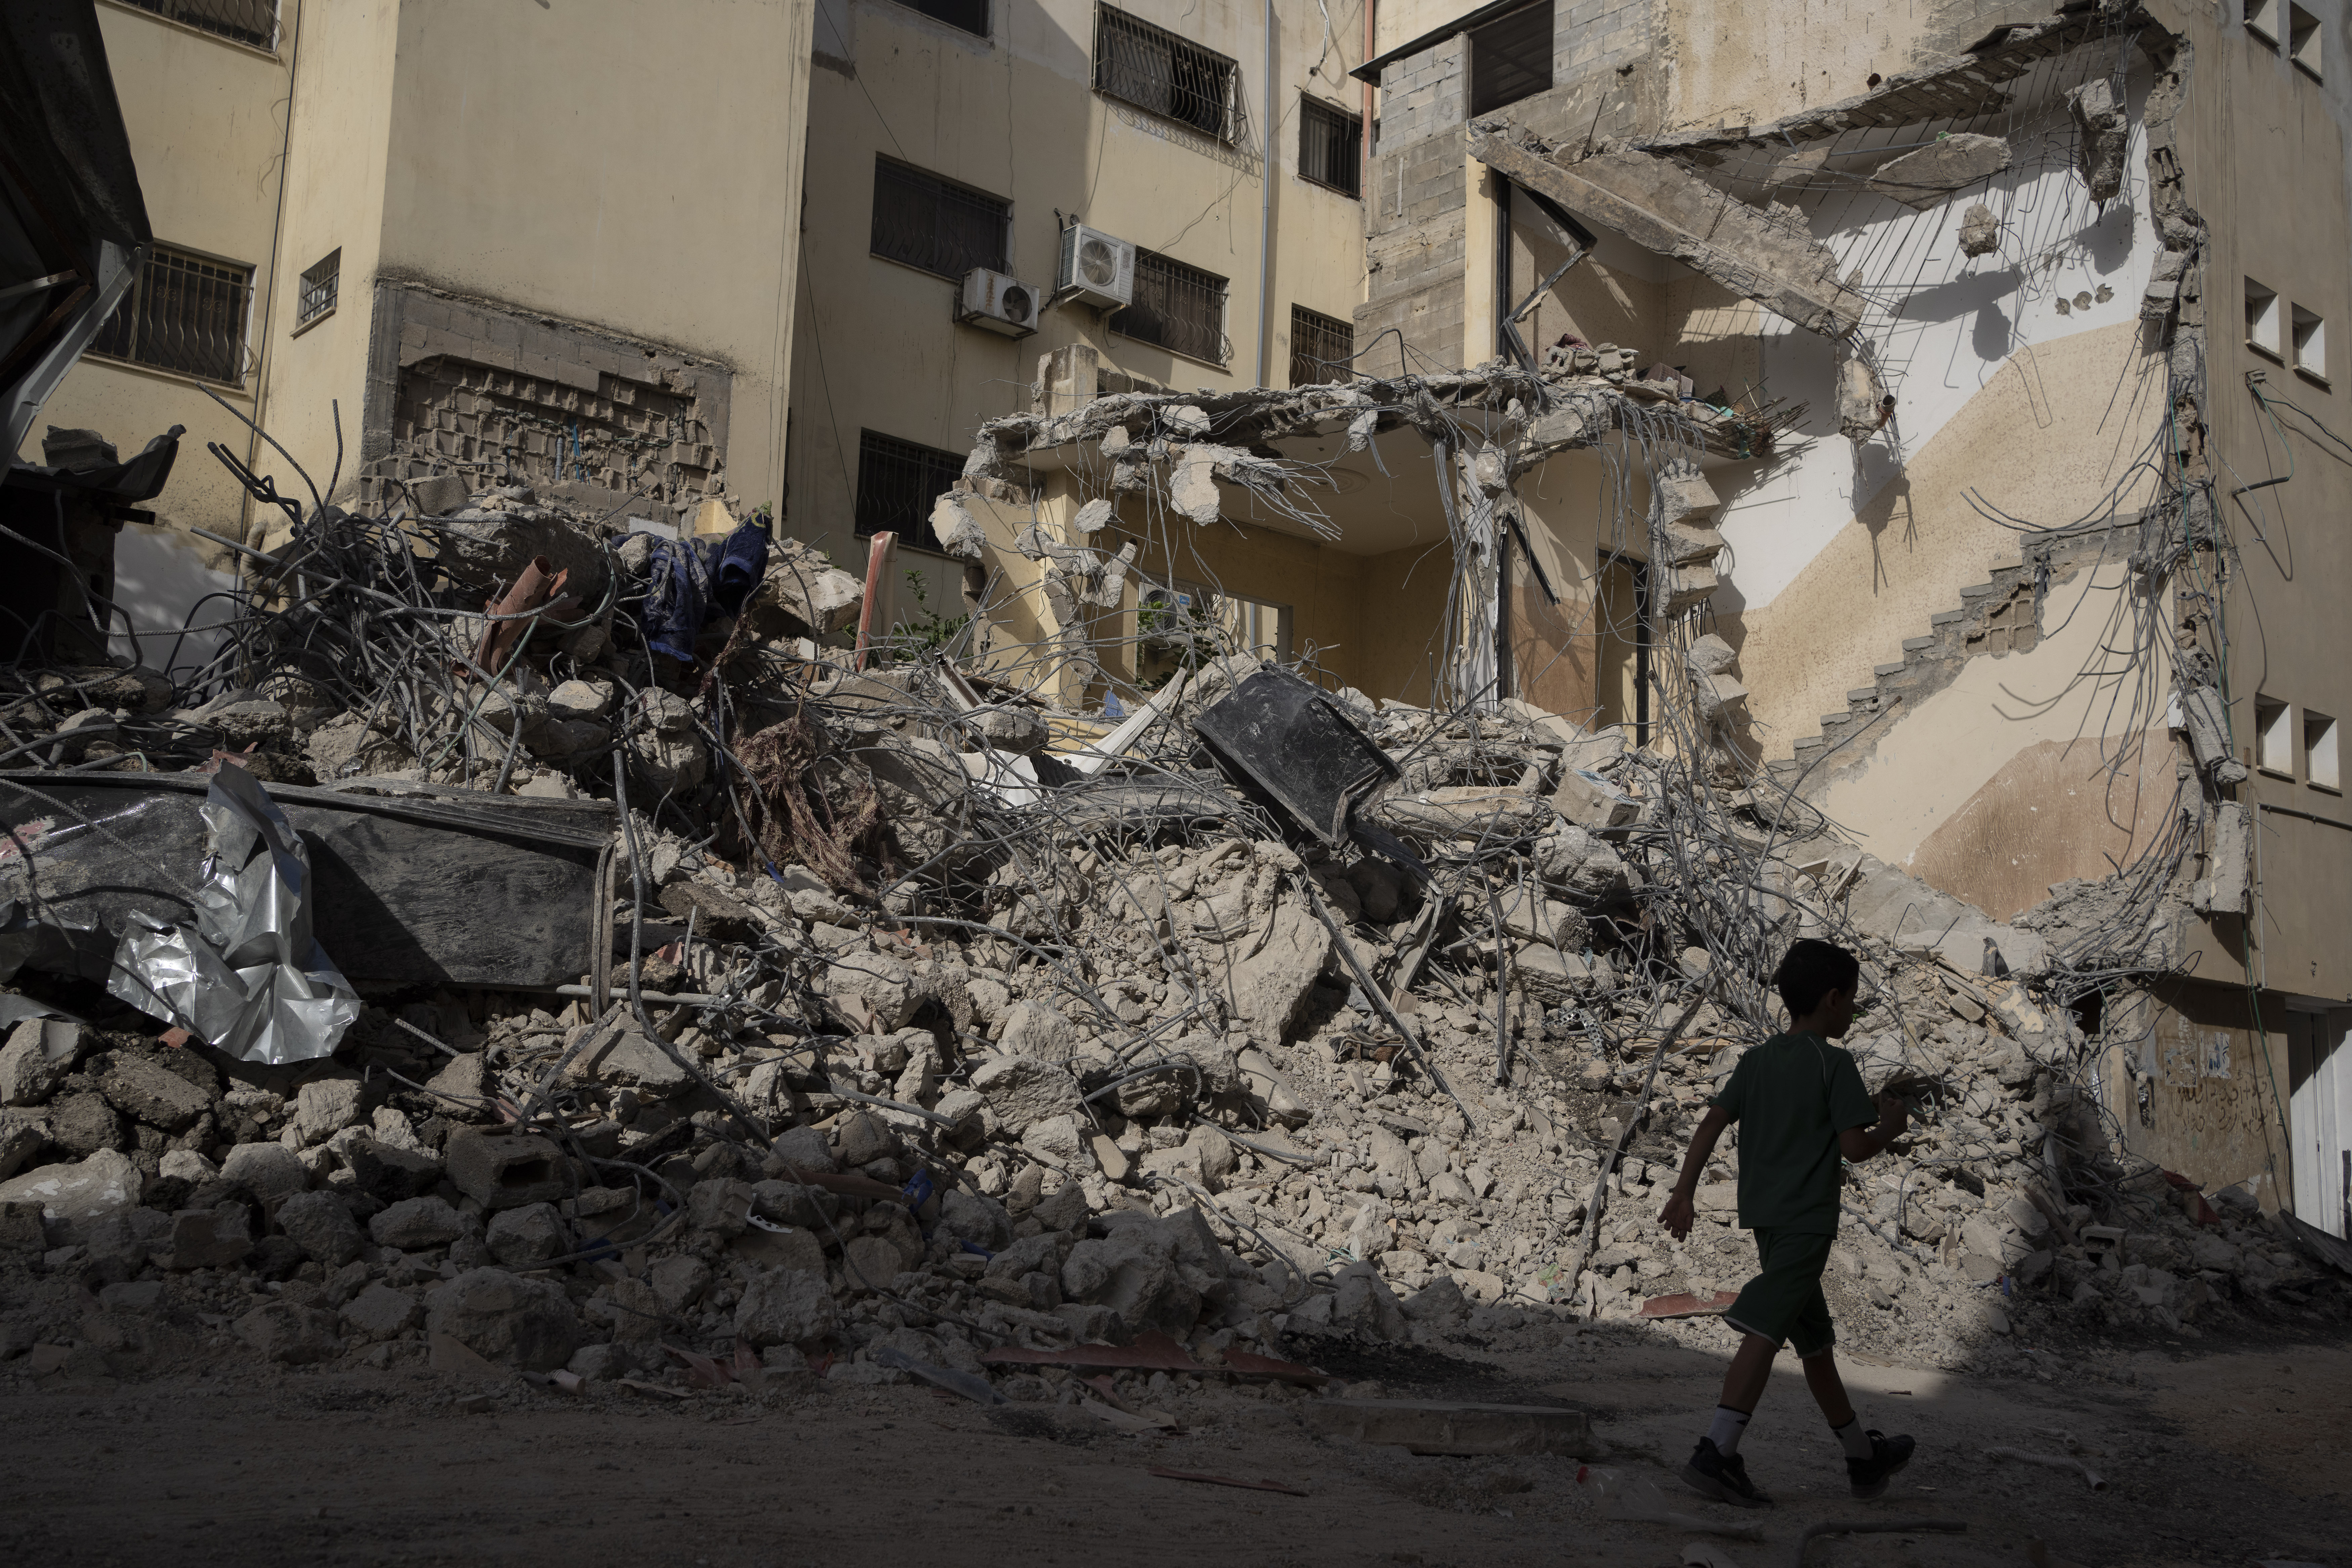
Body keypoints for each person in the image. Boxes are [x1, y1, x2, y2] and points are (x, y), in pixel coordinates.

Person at [1657, 938, 1916, 1508]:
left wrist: (1685, 1192)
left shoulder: (1757, 1061)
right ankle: (1716, 1452)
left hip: (1769, 1222)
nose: (1853, 1010)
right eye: (1852, 1000)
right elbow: (1854, 1149)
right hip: (1807, 1222)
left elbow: (1711, 1124)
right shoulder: (1835, 1063)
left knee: (1815, 1345)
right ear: (1831, 999)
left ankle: (1862, 1458)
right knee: (1766, 1326)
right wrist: (1891, 1130)